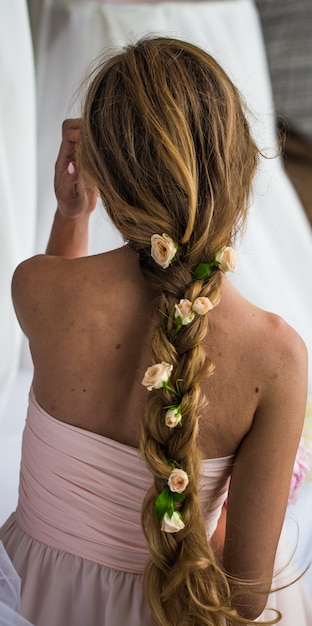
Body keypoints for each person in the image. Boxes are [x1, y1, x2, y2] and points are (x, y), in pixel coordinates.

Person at [0, 37, 310, 626]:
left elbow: (63, 314)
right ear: (240, 163)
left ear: (104, 174)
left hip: (31, 597)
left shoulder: (36, 288)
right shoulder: (278, 360)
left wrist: (72, 215)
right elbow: (243, 597)